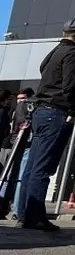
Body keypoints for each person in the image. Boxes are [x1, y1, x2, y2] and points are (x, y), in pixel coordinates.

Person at [20, 19, 75, 231]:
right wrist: (72, 110)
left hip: (41, 111)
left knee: (32, 166)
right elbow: (71, 84)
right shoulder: (74, 53)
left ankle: (24, 212)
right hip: (56, 112)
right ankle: (36, 216)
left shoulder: (54, 52)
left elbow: (43, 70)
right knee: (44, 167)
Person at [1, 88, 34, 220]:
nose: (21, 101)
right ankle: (16, 210)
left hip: (15, 143)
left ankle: (6, 206)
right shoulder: (23, 109)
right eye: (19, 99)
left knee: (9, 176)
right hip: (20, 144)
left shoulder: (16, 110)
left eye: (23, 98)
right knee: (17, 177)